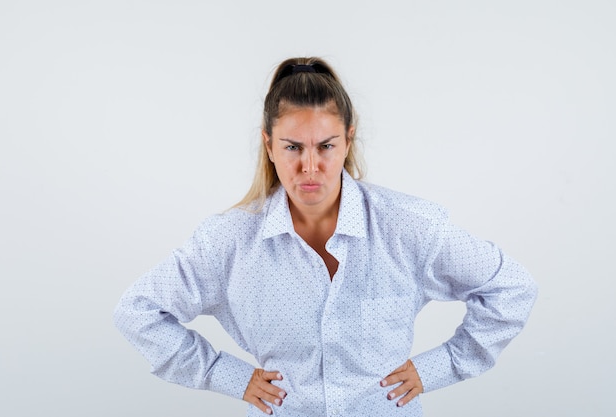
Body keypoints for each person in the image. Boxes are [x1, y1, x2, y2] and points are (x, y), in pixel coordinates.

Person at [113, 57, 538, 416]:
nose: (310, 167)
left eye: (326, 146)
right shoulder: (229, 240)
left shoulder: (408, 225)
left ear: (348, 140)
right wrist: (229, 376)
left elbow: (511, 288)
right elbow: (138, 311)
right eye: (293, 147)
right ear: (269, 145)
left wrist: (441, 365)